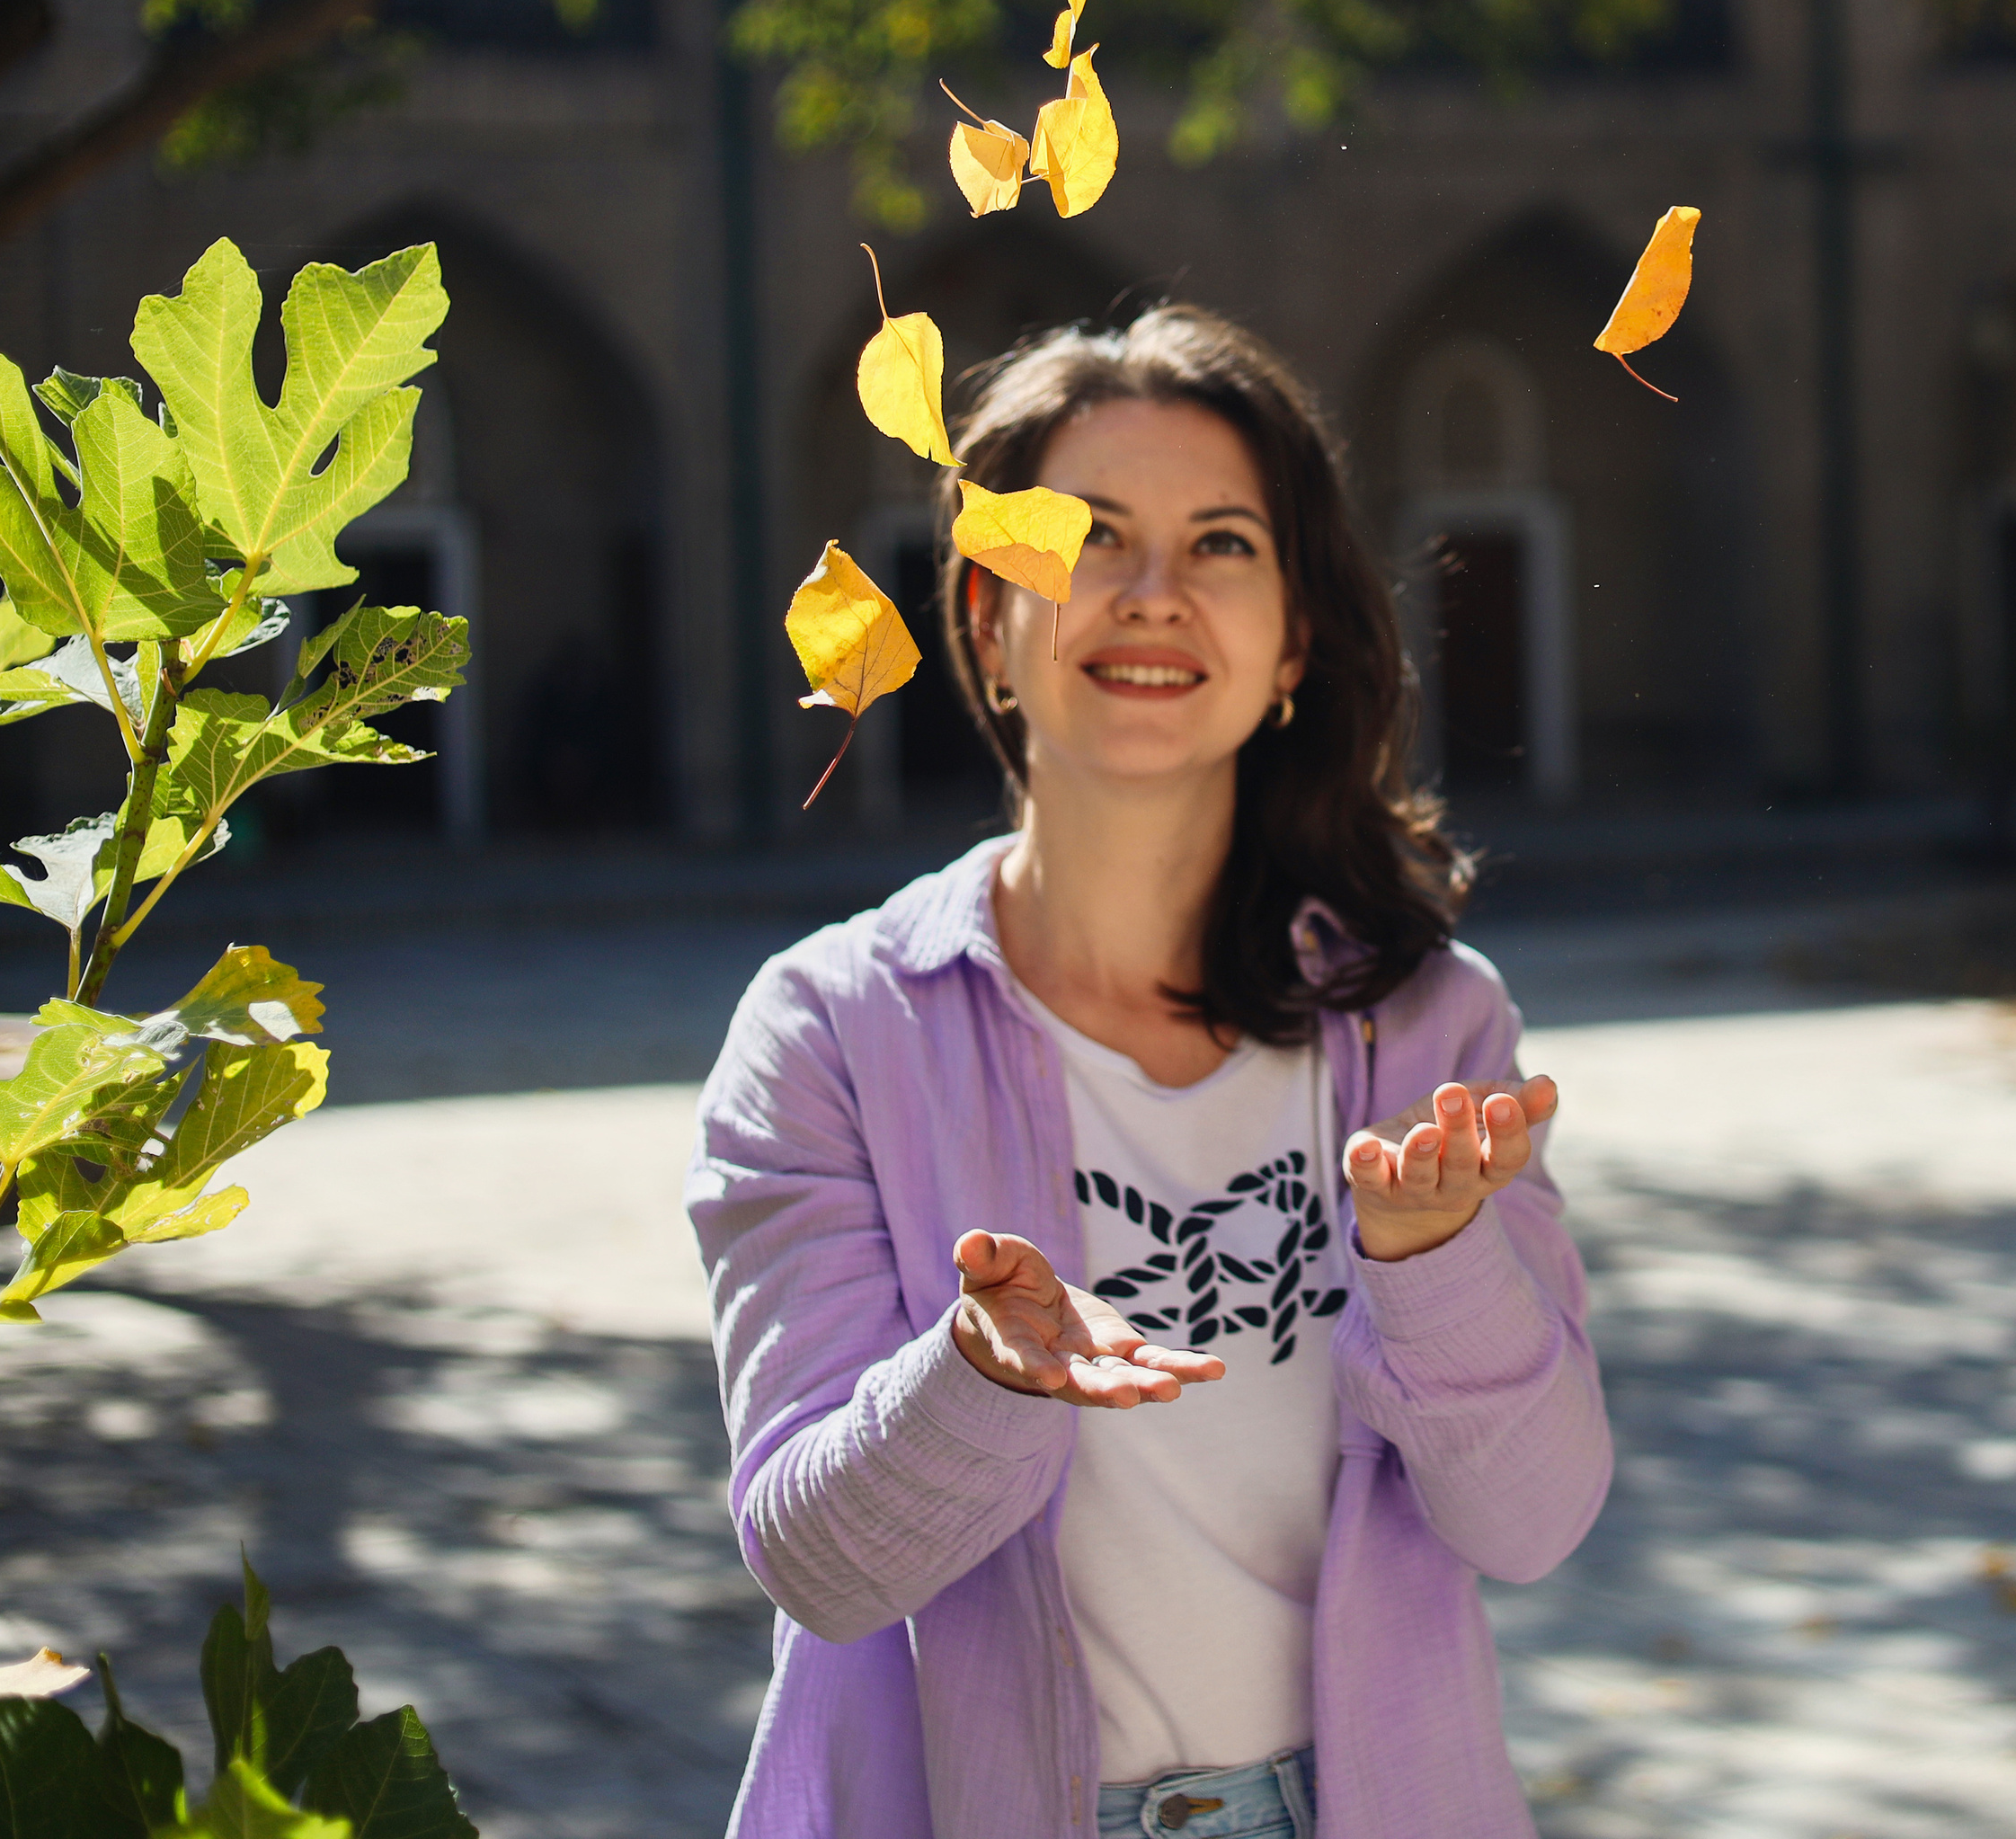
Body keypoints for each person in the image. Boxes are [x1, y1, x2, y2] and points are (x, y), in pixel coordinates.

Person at [688, 306, 1611, 1839]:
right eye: (1088, 536)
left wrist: (1435, 1260)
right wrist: (980, 1377)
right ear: (987, 615)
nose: (1153, 593)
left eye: (1224, 544)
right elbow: (821, 1564)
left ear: (1296, 638)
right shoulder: (830, 1033)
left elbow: (1533, 1523)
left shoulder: (1426, 1031)